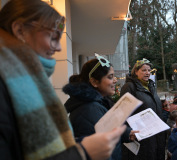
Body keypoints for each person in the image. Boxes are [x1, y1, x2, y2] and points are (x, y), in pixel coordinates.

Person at [0, 1, 126, 160]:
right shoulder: (8, 83)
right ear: (19, 30)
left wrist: (80, 144)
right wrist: (82, 153)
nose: (59, 47)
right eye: (53, 37)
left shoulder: (29, 79)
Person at [63, 57, 138, 160]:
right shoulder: (89, 110)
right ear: (94, 82)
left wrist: (126, 133)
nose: (115, 80)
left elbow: (105, 131)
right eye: (110, 77)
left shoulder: (98, 103)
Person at [120, 58, 166, 160]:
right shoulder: (129, 87)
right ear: (136, 71)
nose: (147, 73)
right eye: (144, 70)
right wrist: (129, 132)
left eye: (149, 70)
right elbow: (122, 114)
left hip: (156, 135)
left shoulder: (151, 86)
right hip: (141, 137)